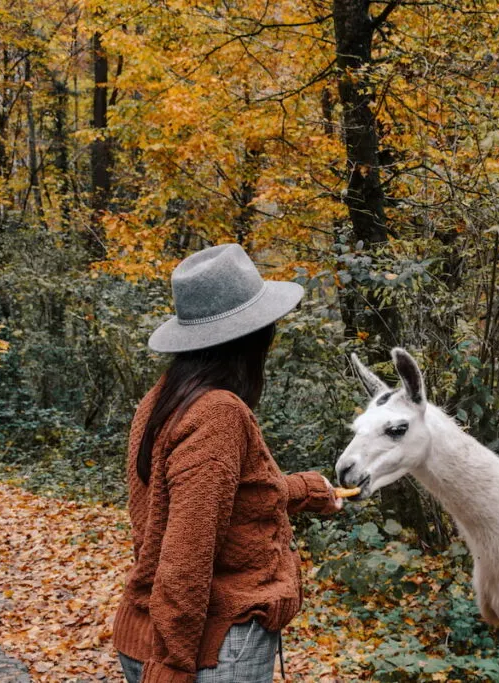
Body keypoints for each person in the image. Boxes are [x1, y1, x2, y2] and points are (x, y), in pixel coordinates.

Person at [113, 244, 343, 683]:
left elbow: (221, 496)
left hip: (154, 634)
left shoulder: (162, 399)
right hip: (211, 649)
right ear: (251, 338)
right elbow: (188, 549)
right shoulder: (218, 412)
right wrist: (172, 664)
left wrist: (309, 490)